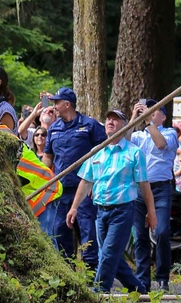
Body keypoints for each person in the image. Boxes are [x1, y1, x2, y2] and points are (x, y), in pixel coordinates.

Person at [66, 107, 156, 293]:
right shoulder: (96, 152)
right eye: (108, 119)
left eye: (115, 119)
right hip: (101, 211)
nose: (110, 122)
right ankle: (138, 290)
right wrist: (74, 207)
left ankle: (99, 291)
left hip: (123, 211)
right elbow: (85, 182)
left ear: (125, 125)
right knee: (110, 255)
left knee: (107, 254)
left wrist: (151, 211)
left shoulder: (134, 153)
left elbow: (144, 185)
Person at [43, 88, 107, 269]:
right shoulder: (53, 128)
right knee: (60, 230)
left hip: (85, 189)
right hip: (61, 190)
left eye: (56, 102)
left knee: (88, 231)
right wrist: (43, 176)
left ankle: (91, 274)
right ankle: (67, 271)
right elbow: (48, 157)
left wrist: (96, 181)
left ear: (67, 104)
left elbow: (102, 154)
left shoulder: (90, 125)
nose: (54, 106)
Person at [130, 97, 180, 292]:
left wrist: (149, 123)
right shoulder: (138, 135)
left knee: (161, 232)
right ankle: (142, 280)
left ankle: (162, 278)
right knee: (140, 236)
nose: (149, 113)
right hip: (140, 189)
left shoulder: (170, 133)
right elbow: (123, 142)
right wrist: (134, 117)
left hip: (160, 189)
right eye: (147, 110)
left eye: (154, 110)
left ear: (163, 117)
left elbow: (160, 145)